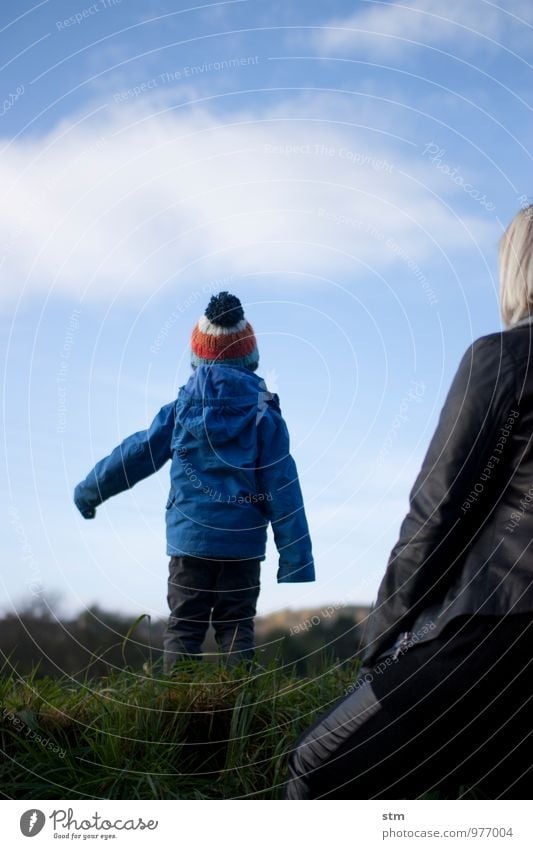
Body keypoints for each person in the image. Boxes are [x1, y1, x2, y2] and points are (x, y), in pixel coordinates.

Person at [286, 205, 533, 800]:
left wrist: (381, 643)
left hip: (495, 630)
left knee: (316, 765)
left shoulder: (501, 360)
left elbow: (437, 512)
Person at [74, 292, 314, 672]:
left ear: (196, 358)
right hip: (242, 545)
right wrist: (297, 559)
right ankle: (240, 714)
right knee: (236, 627)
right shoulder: (265, 415)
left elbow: (134, 455)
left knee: (184, 628)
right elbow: (283, 484)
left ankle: (176, 714)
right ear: (250, 359)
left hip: (190, 541)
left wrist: (89, 491)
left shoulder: (180, 410)